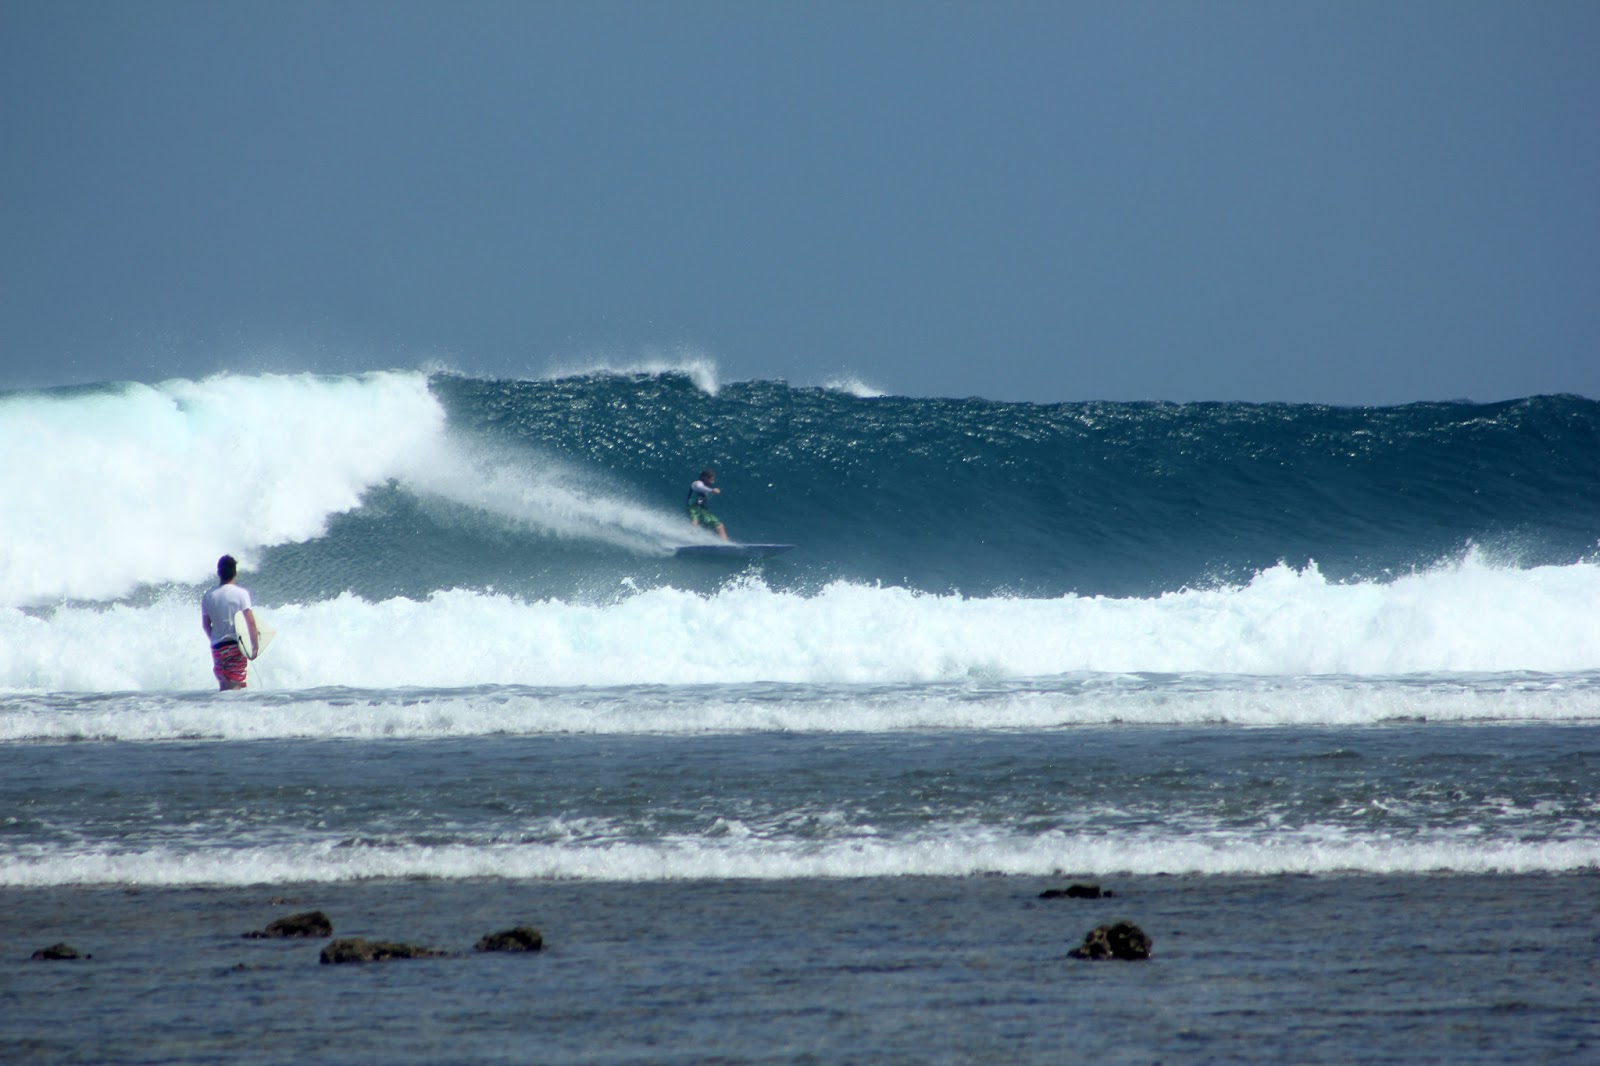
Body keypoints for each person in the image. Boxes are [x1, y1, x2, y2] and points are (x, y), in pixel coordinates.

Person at [201, 554, 259, 691]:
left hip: (217, 647)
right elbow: (250, 622)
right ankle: (232, 712)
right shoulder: (241, 593)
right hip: (235, 645)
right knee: (235, 686)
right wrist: (255, 646)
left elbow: (205, 625)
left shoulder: (208, 595)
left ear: (218, 573)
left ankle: (221, 711)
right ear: (235, 572)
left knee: (224, 685)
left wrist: (215, 639)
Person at [687, 467, 728, 539]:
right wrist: (712, 490)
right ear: (705, 478)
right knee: (695, 521)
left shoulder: (705, 488)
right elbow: (699, 487)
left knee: (719, 526)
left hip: (703, 510)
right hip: (693, 507)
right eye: (711, 480)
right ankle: (686, 538)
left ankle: (726, 545)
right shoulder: (696, 483)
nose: (713, 482)